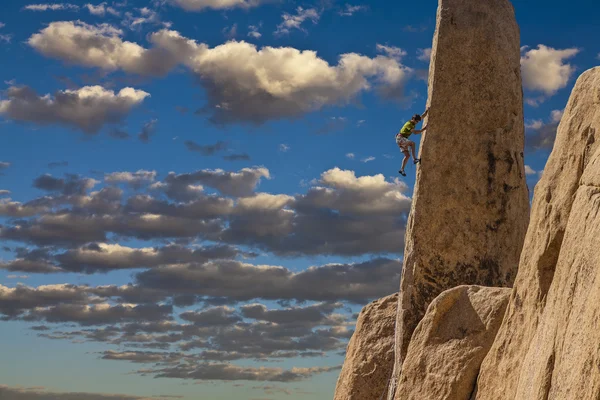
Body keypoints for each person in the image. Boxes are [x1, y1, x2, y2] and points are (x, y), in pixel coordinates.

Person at [396, 108, 429, 176]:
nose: (417, 122)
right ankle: (415, 159)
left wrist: (426, 111)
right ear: (413, 119)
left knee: (407, 155)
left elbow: (421, 117)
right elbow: (415, 132)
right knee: (412, 143)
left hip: (401, 140)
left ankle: (402, 169)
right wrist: (424, 129)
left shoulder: (413, 122)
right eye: (416, 121)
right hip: (400, 138)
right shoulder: (409, 124)